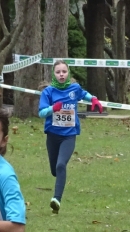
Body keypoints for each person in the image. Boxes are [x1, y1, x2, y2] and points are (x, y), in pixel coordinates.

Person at [38, 60, 103, 214]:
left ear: (68, 73)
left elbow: (84, 94)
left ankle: (56, 200)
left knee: (61, 165)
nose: (61, 74)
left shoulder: (74, 89)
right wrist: (53, 108)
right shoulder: (48, 92)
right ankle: (58, 181)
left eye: (64, 72)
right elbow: (41, 113)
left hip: (69, 136)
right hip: (53, 136)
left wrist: (93, 99)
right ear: (54, 74)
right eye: (58, 72)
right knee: (55, 170)